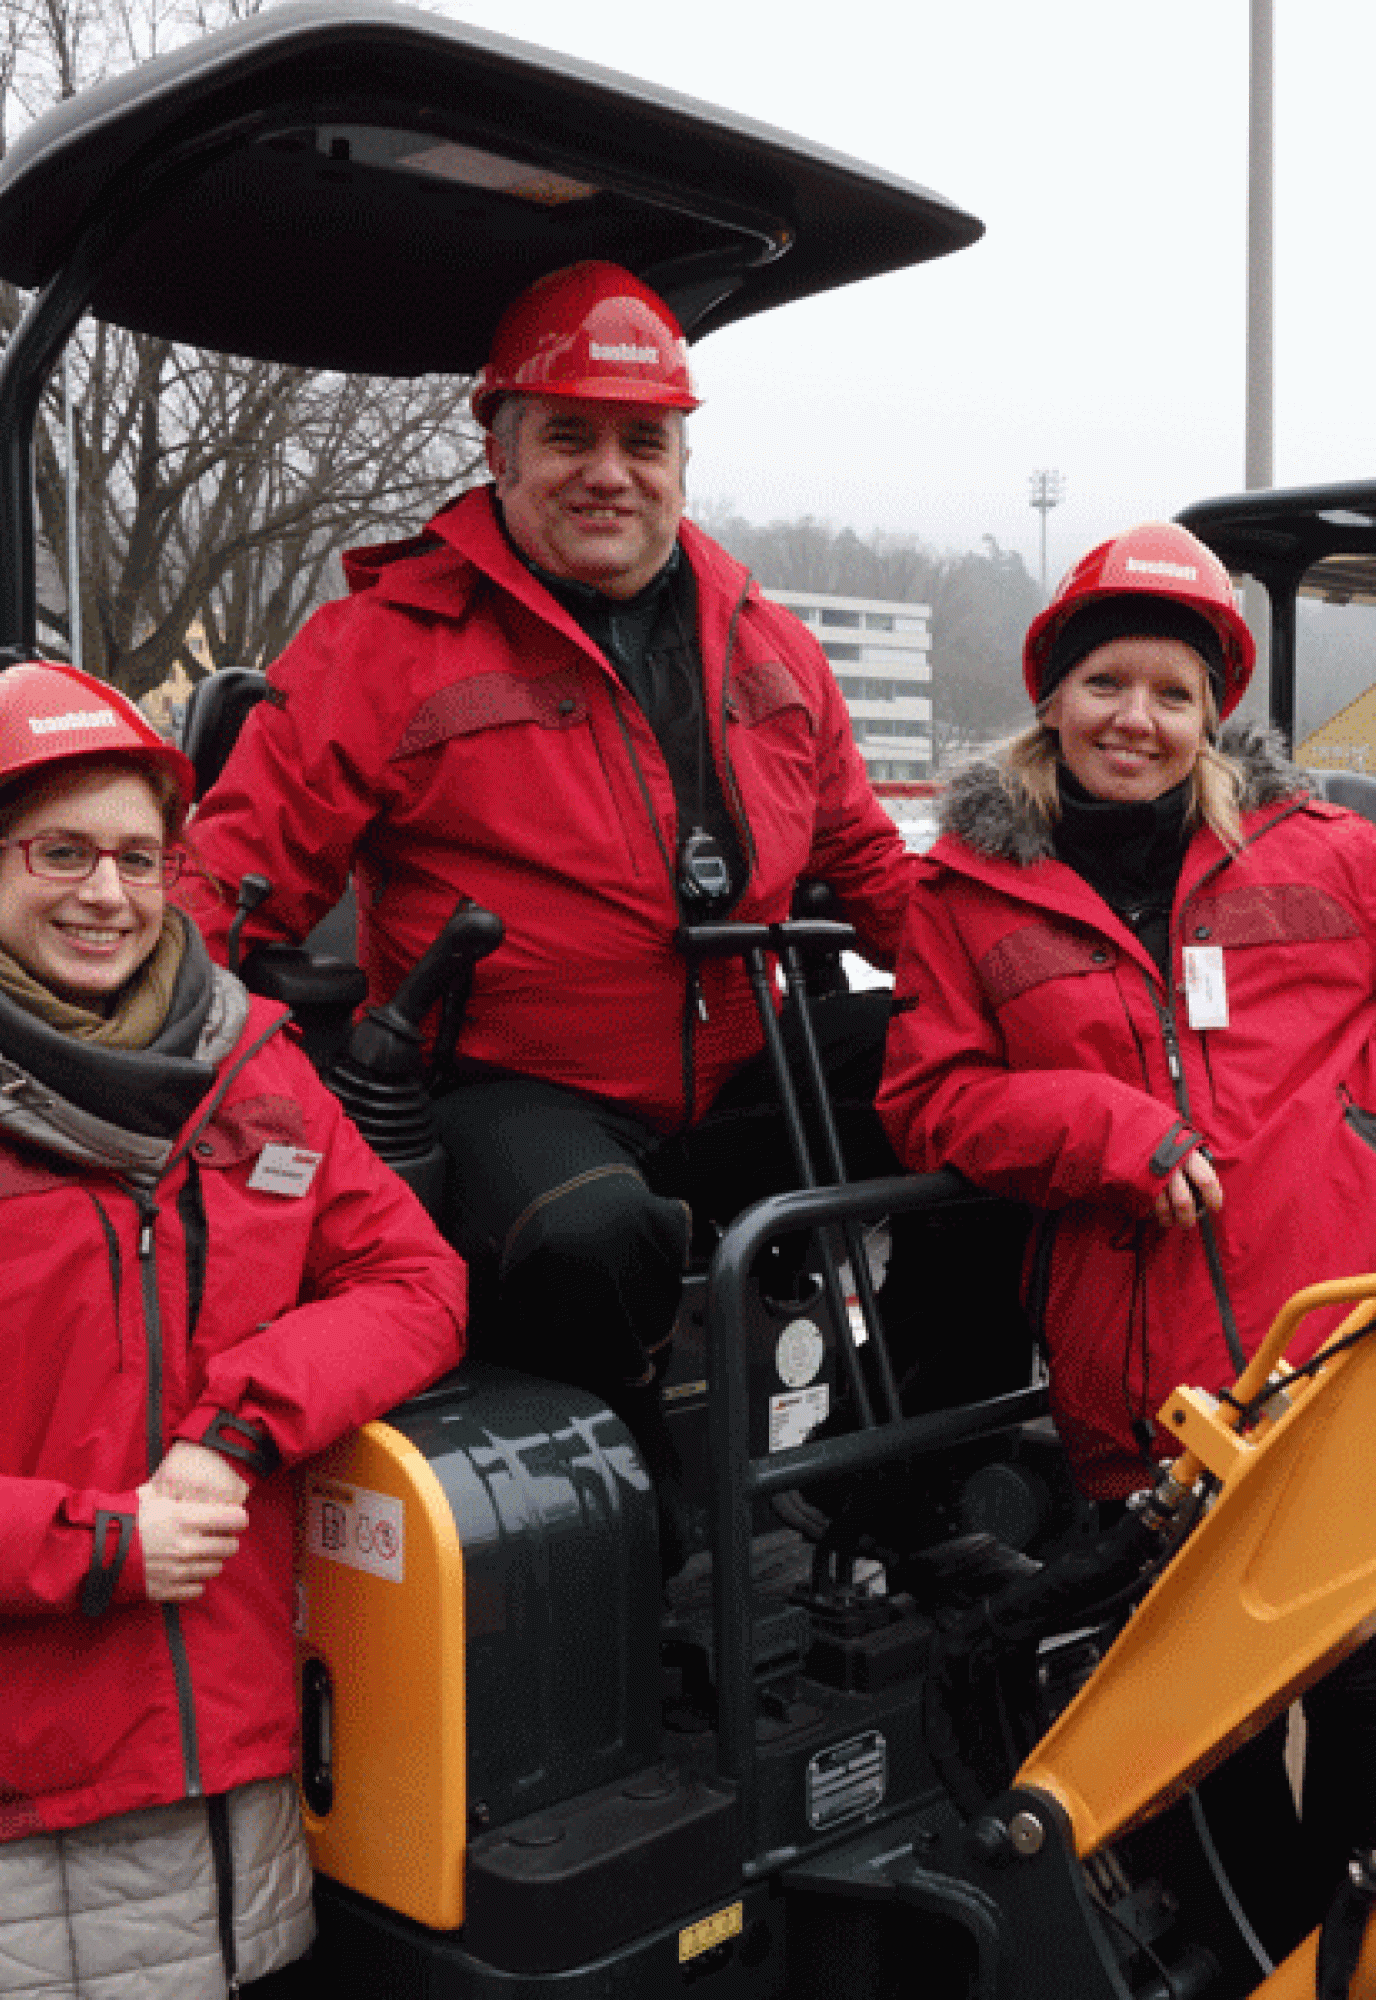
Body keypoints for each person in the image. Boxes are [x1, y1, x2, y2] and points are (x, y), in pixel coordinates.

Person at [177, 262, 1012, 1559]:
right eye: (568, 436)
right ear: (501, 454)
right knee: (590, 1235)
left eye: (642, 439)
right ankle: (636, 1508)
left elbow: (885, 880)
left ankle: (890, 1469)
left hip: (741, 1072)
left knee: (1014, 1113)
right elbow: (231, 880)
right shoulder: (383, 647)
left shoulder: (774, 654)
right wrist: (146, 1048)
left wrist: (1047, 1010)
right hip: (513, 1087)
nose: (607, 472)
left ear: (682, 456)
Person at [876, 522, 1376, 1951]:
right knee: (1209, 1714)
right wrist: (1104, 1131)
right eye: (1108, 684)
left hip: (1327, 1348)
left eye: (1174, 694)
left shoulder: (1318, 851)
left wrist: (1373, 1105)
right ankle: (1269, 1966)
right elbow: (930, 1100)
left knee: (1361, 1682)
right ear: (1052, 696)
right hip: (1144, 1382)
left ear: (1212, 715)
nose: (1139, 719)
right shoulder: (963, 894)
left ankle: (1338, 1968)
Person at [0, 663, 466, 1997]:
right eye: (61, 852)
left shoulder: (252, 1071)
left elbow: (414, 1282)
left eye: (140, 856)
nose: (108, 894)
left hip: (225, 1806)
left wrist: (240, 1428)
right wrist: (98, 1547)